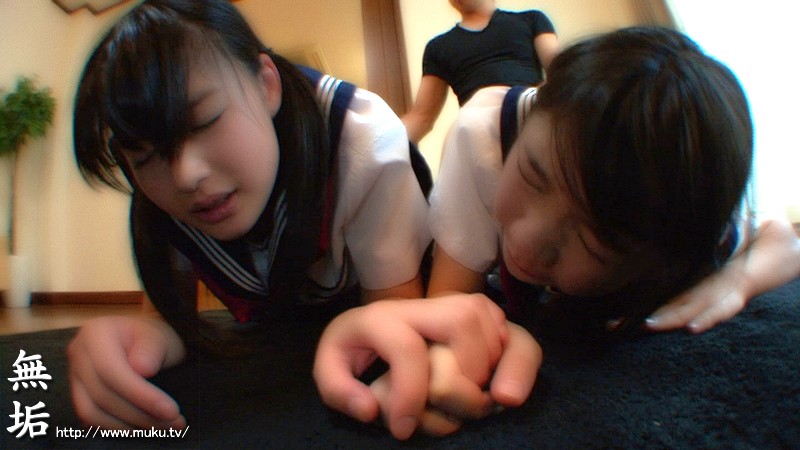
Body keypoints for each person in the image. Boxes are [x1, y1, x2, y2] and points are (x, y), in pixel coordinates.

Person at [314, 26, 800, 438]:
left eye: (593, 244)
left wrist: (738, 280)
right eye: (531, 174)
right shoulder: (485, 130)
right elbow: (450, 304)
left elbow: (781, 238)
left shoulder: (676, 208)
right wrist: (446, 356)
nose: (528, 244)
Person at [65, 0, 447, 432]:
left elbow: (393, 316)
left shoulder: (360, 139)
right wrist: (146, 339)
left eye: (203, 121)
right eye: (144, 155)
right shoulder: (160, 195)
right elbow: (166, 313)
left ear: (266, 84)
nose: (185, 176)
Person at [401, 0, 559, 144]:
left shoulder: (532, 20)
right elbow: (421, 117)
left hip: (529, 117)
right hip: (477, 131)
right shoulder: (437, 47)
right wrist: (387, 142)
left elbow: (561, 74)